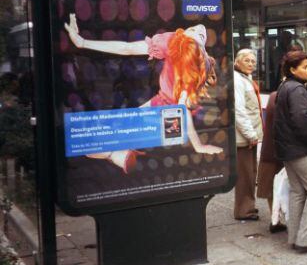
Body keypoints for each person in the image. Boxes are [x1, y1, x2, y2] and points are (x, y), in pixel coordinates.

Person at [63, 14, 222, 172]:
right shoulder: (170, 42)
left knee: (99, 144)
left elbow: (182, 109)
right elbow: (128, 48)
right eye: (193, 29)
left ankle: (120, 154)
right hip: (160, 104)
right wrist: (81, 42)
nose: (199, 29)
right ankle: (119, 154)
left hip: (170, 115)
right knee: (94, 146)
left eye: (201, 35)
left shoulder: (194, 66)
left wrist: (197, 145)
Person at [273, 50, 307, 253]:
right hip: (303, 150)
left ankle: (295, 238)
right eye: (305, 67)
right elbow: (302, 121)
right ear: (293, 69)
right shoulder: (297, 90)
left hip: (289, 150)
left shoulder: (285, 87)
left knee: (298, 192)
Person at [233, 49, 263, 221]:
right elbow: (239, 111)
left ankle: (248, 207)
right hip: (244, 137)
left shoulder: (245, 77)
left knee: (250, 172)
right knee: (245, 175)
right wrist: (251, 135)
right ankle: (244, 211)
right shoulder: (238, 80)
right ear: (237, 62)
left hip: (249, 136)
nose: (251, 64)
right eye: (247, 61)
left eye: (253, 61)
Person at [256, 87, 286, 233]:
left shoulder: (273, 96)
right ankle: (281, 219)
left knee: (270, 186)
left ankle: (275, 219)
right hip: (282, 150)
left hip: (269, 150)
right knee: (285, 185)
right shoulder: (284, 97)